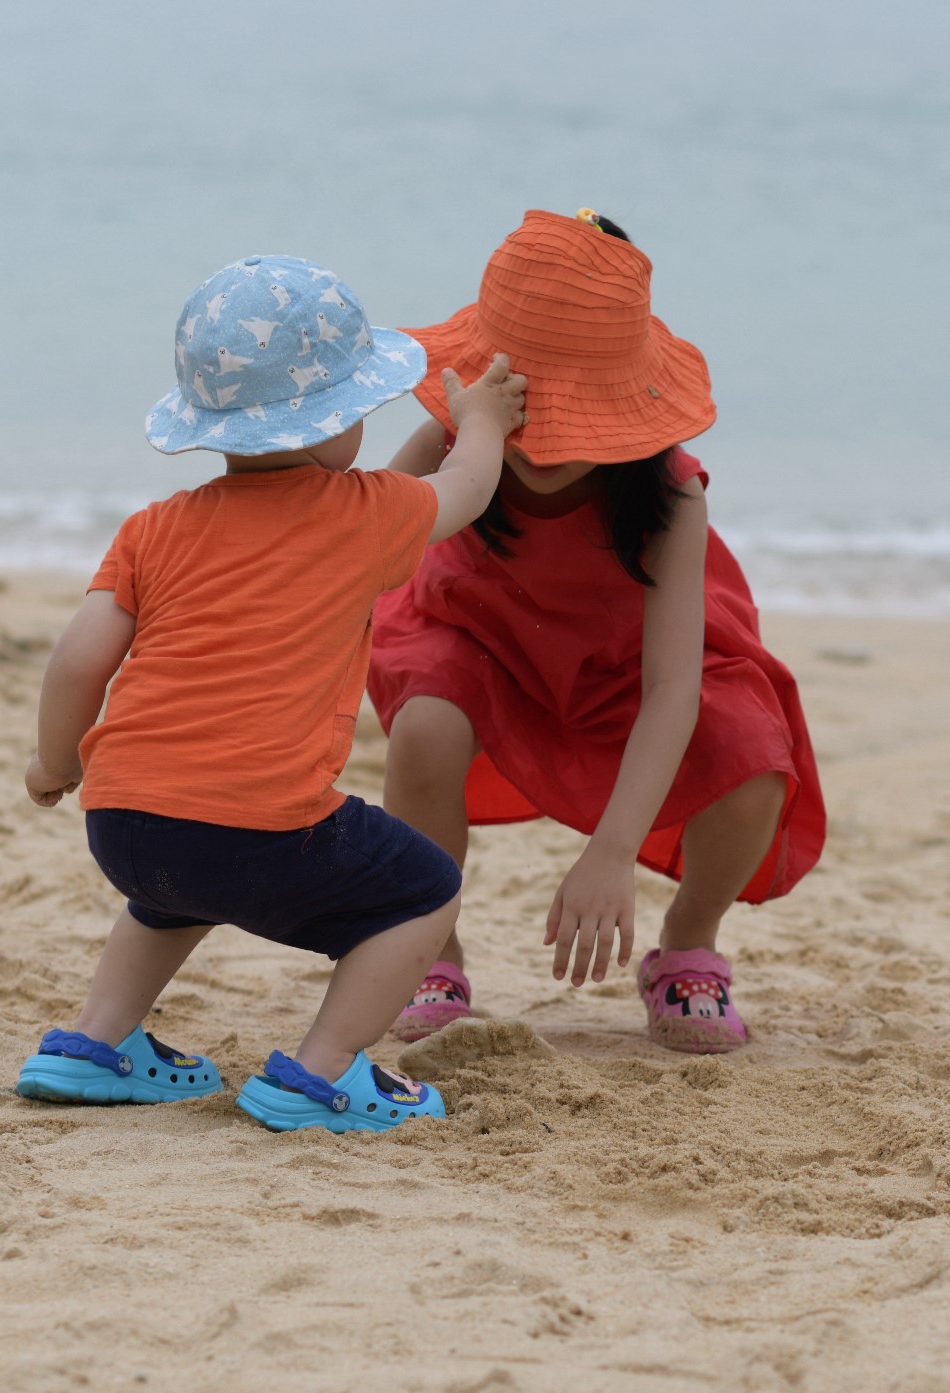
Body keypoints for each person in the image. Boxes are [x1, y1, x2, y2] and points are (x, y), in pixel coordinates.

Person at [14, 254, 525, 1131]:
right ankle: (321, 1072)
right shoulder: (358, 518)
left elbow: (76, 662)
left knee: (171, 895)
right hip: (260, 827)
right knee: (423, 888)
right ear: (342, 417)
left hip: (127, 822)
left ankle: (94, 1043)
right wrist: (479, 421)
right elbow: (464, 491)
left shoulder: (156, 528)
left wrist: (53, 761)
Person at [369, 210, 825, 1055]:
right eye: (531, 416)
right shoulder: (450, 438)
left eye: (579, 422)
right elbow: (349, 547)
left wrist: (611, 853)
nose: (547, 449)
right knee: (426, 726)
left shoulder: (671, 495)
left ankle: (689, 946)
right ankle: (430, 946)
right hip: (478, 637)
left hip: (626, 661)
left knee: (753, 750)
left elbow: (672, 689)